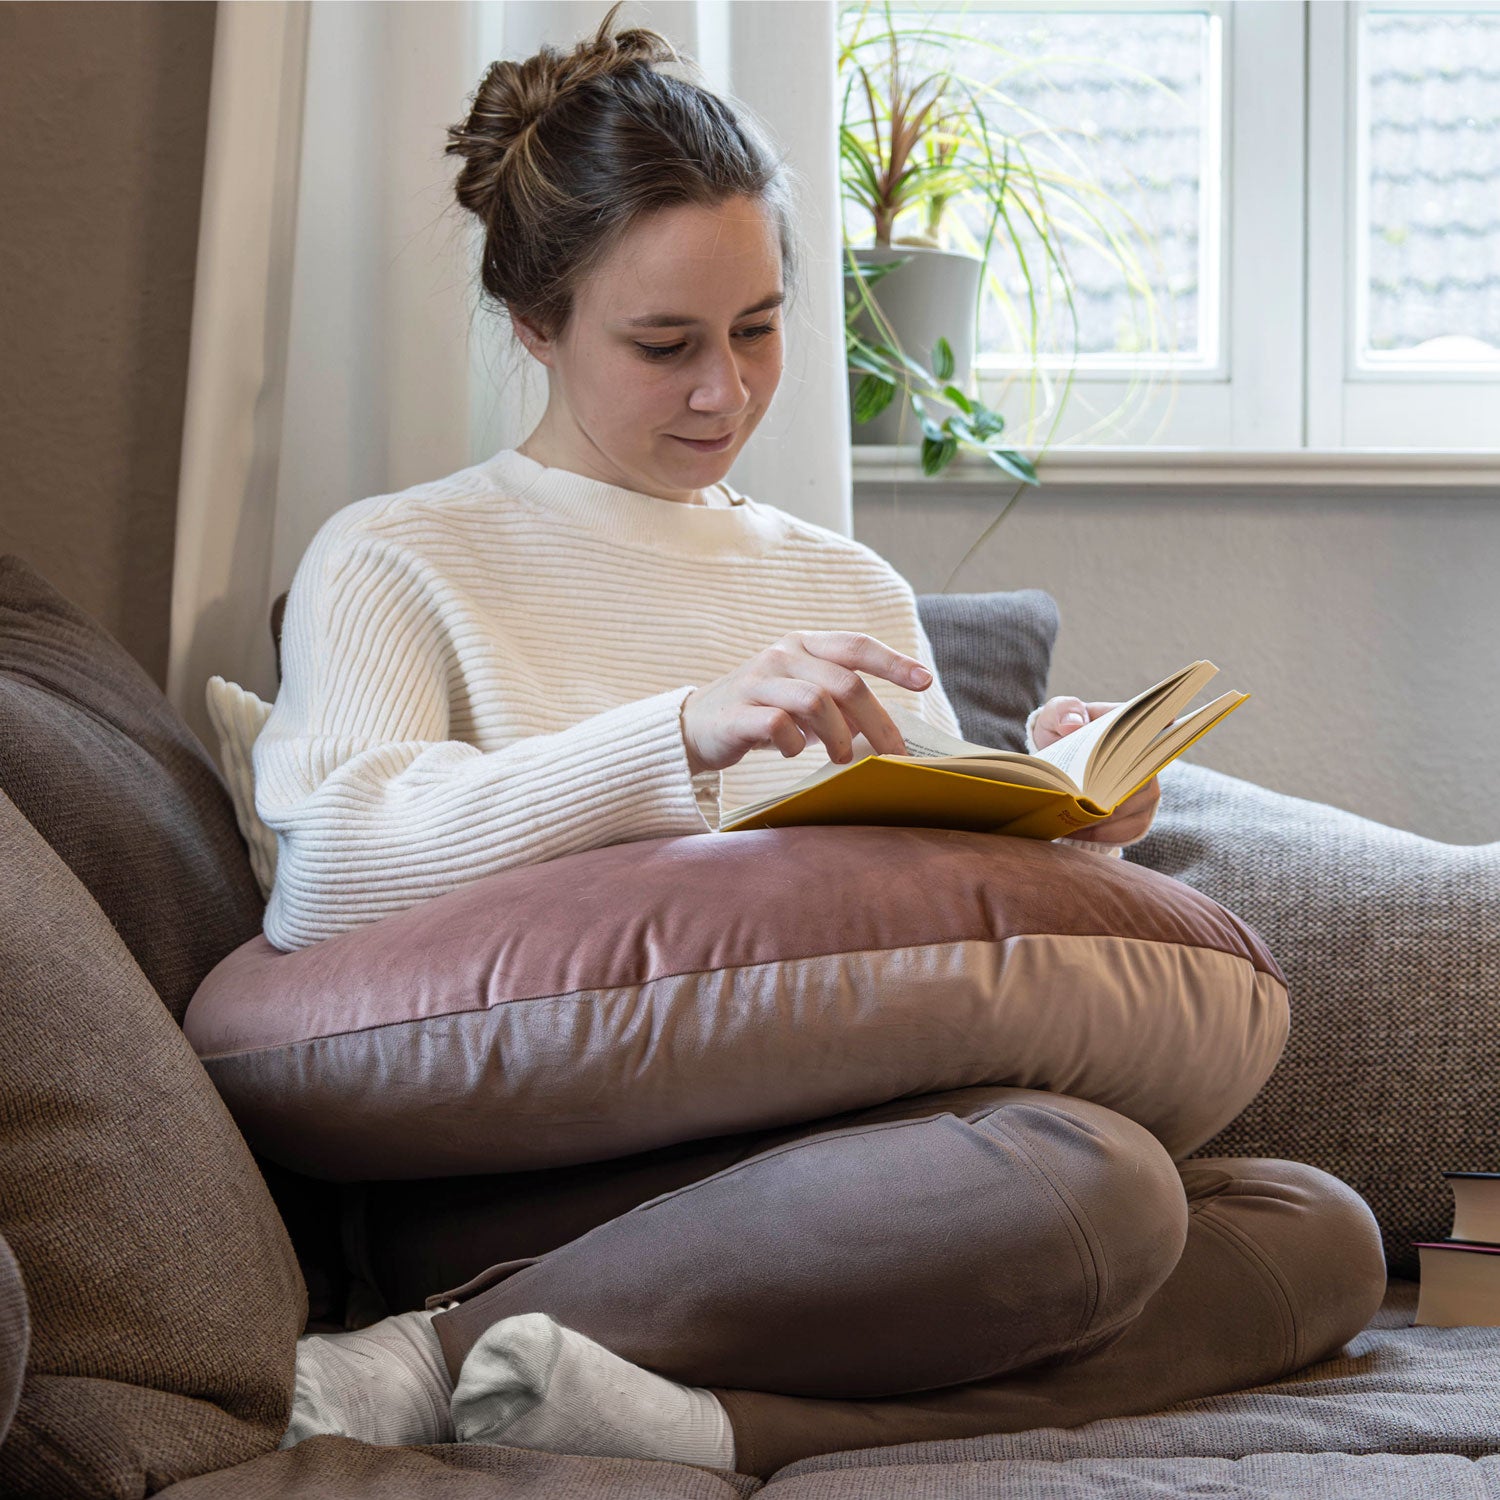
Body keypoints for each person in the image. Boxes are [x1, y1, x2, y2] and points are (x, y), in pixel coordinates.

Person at [265, 6, 1387, 1480]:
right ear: (535, 324)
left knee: (1316, 1232)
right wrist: (679, 734)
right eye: (663, 344)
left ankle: (701, 1420)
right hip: (580, 1173)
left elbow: (926, 914)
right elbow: (328, 877)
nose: (724, 392)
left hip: (906, 1143)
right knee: (1090, 1188)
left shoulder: (842, 584)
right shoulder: (399, 558)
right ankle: (442, 1343)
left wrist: (1055, 807)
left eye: (759, 327)